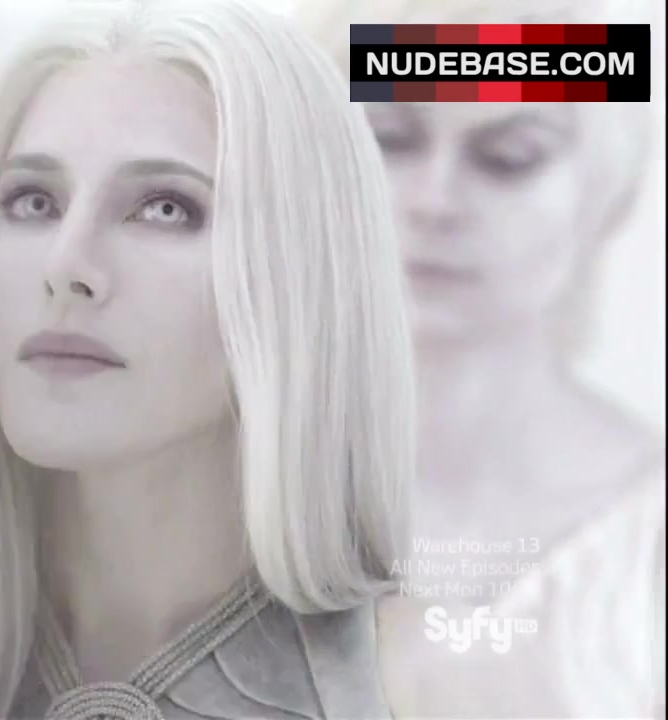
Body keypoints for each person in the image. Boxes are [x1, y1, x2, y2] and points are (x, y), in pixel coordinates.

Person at [0, 1, 558, 717]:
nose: (66, 265)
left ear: (301, 282)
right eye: (32, 200)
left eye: (164, 208)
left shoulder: (442, 687)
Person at [297, 0, 667, 717]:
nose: (437, 201)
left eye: (509, 158)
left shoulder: (643, 543)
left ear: (607, 194)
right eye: (390, 139)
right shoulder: (199, 485)